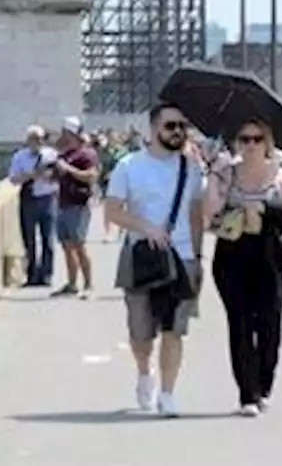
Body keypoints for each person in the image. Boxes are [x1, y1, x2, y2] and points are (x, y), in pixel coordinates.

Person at [105, 102, 206, 417]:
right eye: (170, 126)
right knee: (140, 332)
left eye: (182, 126)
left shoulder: (192, 169)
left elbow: (196, 214)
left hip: (182, 257)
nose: (177, 132)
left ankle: (168, 393)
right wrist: (146, 228)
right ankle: (144, 372)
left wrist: (199, 257)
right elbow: (112, 211)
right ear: (153, 129)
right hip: (142, 257)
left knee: (174, 330)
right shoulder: (129, 166)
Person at [205, 119, 282, 417]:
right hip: (232, 255)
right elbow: (210, 214)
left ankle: (263, 383)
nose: (249, 145)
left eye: (256, 139)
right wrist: (214, 178)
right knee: (240, 323)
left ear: (267, 142)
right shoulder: (225, 174)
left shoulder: (280, 176)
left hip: (271, 256)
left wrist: (265, 208)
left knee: (269, 324)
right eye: (243, 139)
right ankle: (247, 393)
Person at [53, 117, 100, 298]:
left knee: (79, 245)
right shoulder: (65, 154)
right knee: (67, 246)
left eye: (65, 132)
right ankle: (72, 284)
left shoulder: (87, 154)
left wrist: (69, 169)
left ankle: (88, 284)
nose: (63, 136)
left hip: (79, 205)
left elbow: (92, 176)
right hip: (63, 203)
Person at [9, 126, 57, 287]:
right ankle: (31, 275)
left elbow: (58, 176)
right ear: (28, 140)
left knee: (48, 239)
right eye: (34, 138)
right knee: (29, 239)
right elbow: (13, 179)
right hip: (29, 199)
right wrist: (31, 175)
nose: (38, 142)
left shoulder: (51, 155)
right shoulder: (20, 157)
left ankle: (46, 274)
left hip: (47, 198)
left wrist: (49, 175)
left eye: (41, 138)